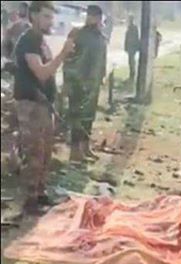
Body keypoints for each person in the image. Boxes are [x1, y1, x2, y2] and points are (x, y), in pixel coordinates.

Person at [13, 0, 75, 214]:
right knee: (34, 153)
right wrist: (63, 53)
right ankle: (30, 201)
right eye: (46, 16)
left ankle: (40, 193)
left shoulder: (40, 41)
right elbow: (41, 73)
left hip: (42, 105)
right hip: (31, 106)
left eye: (52, 17)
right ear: (34, 15)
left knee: (45, 152)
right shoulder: (28, 40)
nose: (51, 21)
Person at [63, 4, 107, 162]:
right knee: (77, 118)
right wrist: (68, 81)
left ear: (99, 18)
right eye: (89, 15)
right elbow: (67, 58)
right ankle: (75, 152)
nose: (91, 19)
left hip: (93, 85)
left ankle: (85, 147)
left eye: (94, 16)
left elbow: (102, 60)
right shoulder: (77, 34)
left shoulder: (100, 37)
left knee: (89, 117)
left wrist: (101, 78)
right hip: (78, 83)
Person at [124, 13, 140, 81]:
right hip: (130, 46)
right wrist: (125, 46)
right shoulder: (129, 27)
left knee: (131, 60)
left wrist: (137, 46)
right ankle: (132, 72)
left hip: (132, 46)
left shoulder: (134, 28)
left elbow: (136, 38)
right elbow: (127, 38)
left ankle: (132, 73)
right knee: (130, 60)